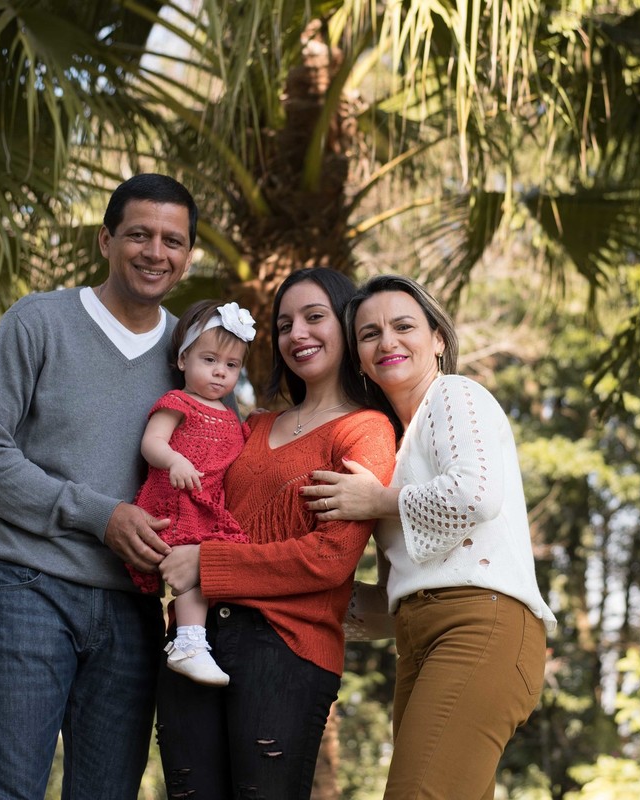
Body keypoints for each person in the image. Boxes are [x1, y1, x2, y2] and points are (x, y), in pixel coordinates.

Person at [0, 173, 198, 799]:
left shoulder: (190, 354)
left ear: (188, 257)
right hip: (28, 591)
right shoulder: (38, 322)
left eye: (173, 240)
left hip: (134, 611)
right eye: (139, 234)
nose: (155, 252)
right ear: (105, 239)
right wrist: (98, 514)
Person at [303, 273, 557, 800]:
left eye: (403, 326)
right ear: (359, 357)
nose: (387, 342)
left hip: (482, 627)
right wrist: (277, 591)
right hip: (419, 644)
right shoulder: (392, 449)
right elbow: (397, 598)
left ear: (437, 339)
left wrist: (376, 501)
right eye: (369, 334)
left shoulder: (456, 395)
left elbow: (476, 495)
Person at [155, 267, 397, 799]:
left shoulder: (366, 430)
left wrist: (206, 564)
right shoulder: (256, 425)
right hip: (193, 642)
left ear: (347, 324)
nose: (298, 334)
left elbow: (330, 557)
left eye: (315, 318)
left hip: (284, 651)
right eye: (285, 324)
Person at [130, 299, 257, 686]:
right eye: (209, 360)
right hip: (177, 501)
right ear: (183, 360)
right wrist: (174, 461)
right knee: (191, 573)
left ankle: (192, 639)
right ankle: (188, 642)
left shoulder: (231, 417)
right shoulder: (178, 402)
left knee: (209, 567)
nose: (220, 372)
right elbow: (151, 443)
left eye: (231, 366)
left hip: (208, 506)